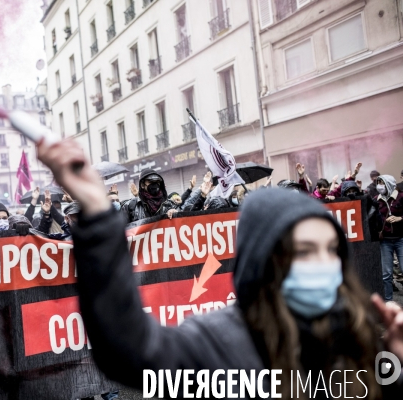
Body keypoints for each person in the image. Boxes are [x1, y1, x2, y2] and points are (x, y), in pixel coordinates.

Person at [36, 138, 403, 399]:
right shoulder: (214, 344)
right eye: (304, 251)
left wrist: (396, 365)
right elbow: (131, 352)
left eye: (331, 251)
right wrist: (99, 216)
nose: (322, 264)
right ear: (265, 259)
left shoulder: (355, 338)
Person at [373, 175, 403, 302]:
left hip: (401, 238)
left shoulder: (401, 197)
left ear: (389, 184)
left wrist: (400, 218)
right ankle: (388, 302)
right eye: (378, 183)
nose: (380, 186)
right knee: (386, 274)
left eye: (382, 183)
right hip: (385, 241)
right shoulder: (376, 199)